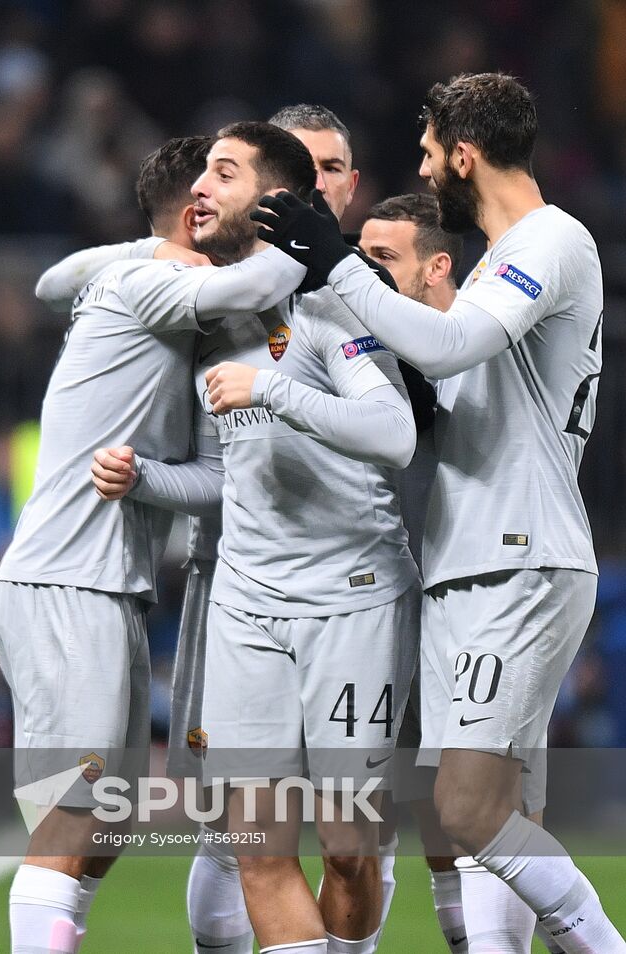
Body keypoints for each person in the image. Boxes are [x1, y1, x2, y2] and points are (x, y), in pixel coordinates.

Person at [257, 72, 624, 954]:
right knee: (486, 813)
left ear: (465, 154)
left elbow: (456, 341)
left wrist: (340, 264)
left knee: (465, 807)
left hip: (518, 554)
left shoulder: (550, 237)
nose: (423, 167)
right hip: (475, 556)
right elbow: (458, 384)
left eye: (429, 151)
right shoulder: (502, 259)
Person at [0, 133, 303, 954]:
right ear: (200, 212)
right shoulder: (147, 281)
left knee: (106, 824)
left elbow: (215, 479)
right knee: (72, 811)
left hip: (112, 583)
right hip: (65, 582)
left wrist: (144, 483)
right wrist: (308, 231)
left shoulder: (189, 318)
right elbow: (270, 273)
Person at [358, 192, 470, 952]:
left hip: (458, 599)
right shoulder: (340, 338)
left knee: (460, 818)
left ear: (436, 269)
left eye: (383, 262)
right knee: (355, 820)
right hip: (360, 600)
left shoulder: (472, 344)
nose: (363, 278)